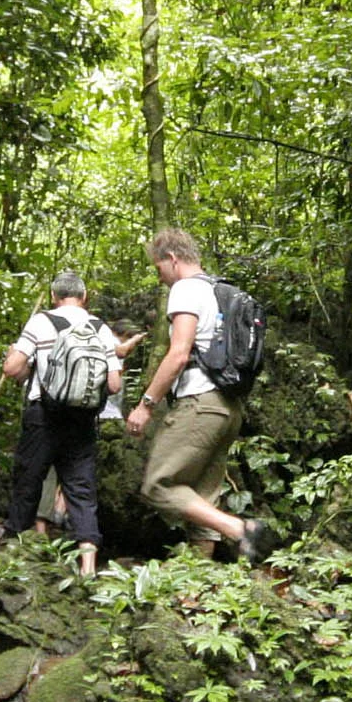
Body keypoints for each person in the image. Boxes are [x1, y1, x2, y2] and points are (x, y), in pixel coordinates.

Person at [125, 227, 278, 562]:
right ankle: (198, 584)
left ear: (173, 258)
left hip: (199, 402)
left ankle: (240, 530)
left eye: (159, 268)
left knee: (157, 485)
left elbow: (179, 353)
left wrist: (146, 404)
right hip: (228, 407)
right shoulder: (220, 290)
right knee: (202, 498)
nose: (160, 277)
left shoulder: (185, 289)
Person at [1, 272, 142, 576]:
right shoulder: (100, 328)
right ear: (84, 296)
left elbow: (13, 369)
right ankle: (88, 564)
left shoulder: (41, 322)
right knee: (81, 489)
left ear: (54, 296)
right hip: (83, 420)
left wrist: (14, 355)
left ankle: (15, 554)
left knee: (28, 480)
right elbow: (115, 385)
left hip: (43, 416)